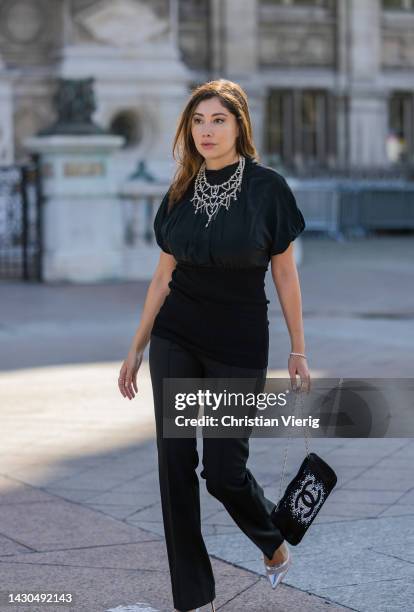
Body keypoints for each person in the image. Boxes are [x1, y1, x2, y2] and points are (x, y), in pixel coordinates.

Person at [118, 79, 310, 612]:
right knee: (173, 463)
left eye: (218, 120)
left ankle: (271, 539)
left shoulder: (268, 189)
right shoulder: (179, 190)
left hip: (237, 342)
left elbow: (286, 277)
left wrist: (299, 349)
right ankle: (193, 597)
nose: (206, 130)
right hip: (176, 336)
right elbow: (161, 279)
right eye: (198, 120)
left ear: (239, 126)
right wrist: (136, 347)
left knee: (223, 473)